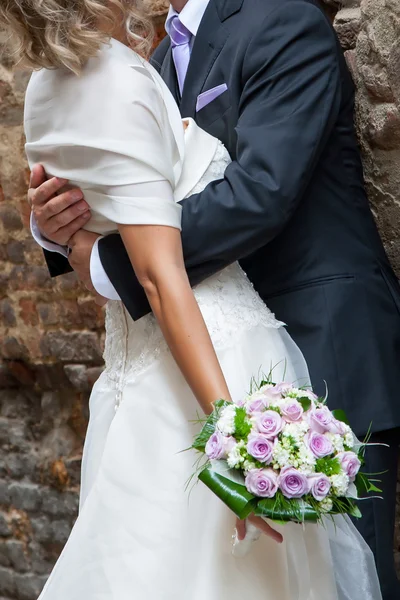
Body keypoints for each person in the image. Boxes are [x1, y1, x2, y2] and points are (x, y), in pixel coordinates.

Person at [7, 0, 399, 597]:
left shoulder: (283, 22)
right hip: (199, 361)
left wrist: (109, 259)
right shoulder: (151, 59)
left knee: (340, 575)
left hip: (320, 342)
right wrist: (54, 229)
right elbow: (132, 184)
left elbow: (261, 190)